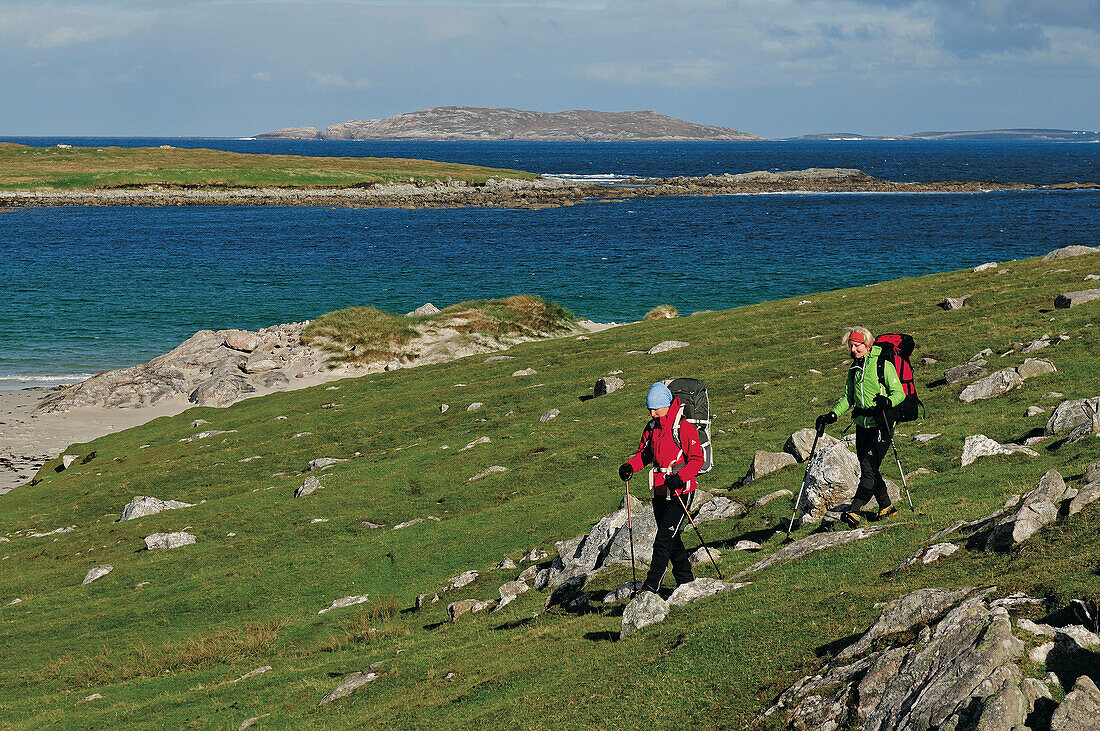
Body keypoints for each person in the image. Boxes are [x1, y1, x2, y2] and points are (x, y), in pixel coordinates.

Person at [618, 382, 705, 594]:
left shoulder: (683, 427)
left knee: (663, 540)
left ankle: (650, 588)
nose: (652, 412)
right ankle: (686, 582)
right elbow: (644, 455)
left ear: (666, 405)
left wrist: (680, 477)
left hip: (681, 490)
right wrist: (630, 466)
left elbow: (697, 459)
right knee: (672, 538)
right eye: (650, 408)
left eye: (656, 408)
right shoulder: (651, 428)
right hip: (658, 490)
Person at [816, 327, 906, 528]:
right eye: (851, 347)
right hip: (861, 426)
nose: (853, 351)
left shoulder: (882, 365)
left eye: (856, 346)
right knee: (871, 468)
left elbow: (899, 393)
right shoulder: (854, 368)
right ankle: (887, 507)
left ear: (867, 345)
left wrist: (887, 401)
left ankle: (855, 510)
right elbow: (848, 397)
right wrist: (831, 415)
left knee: (867, 469)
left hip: (881, 425)